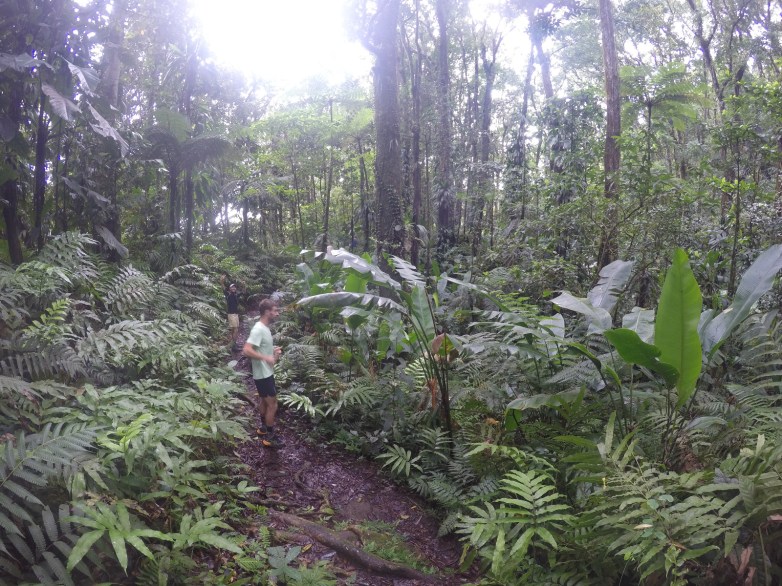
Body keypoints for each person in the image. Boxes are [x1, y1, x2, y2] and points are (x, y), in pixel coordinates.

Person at [242, 299, 283, 448]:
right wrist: (266, 357)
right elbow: (246, 350)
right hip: (263, 375)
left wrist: (272, 353)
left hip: (264, 373)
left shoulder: (265, 328)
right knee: (273, 405)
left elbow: (261, 351)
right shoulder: (258, 329)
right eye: (275, 310)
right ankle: (270, 437)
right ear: (267, 312)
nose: (277, 313)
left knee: (264, 401)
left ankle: (263, 428)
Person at [220, 275, 240, 350]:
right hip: (231, 314)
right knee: (236, 329)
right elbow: (223, 287)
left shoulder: (236, 295)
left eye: (234, 287)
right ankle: (234, 345)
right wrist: (222, 281)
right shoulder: (228, 294)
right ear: (229, 289)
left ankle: (233, 344)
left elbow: (244, 292)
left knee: (233, 330)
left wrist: (244, 285)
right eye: (232, 287)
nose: (233, 288)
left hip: (235, 314)